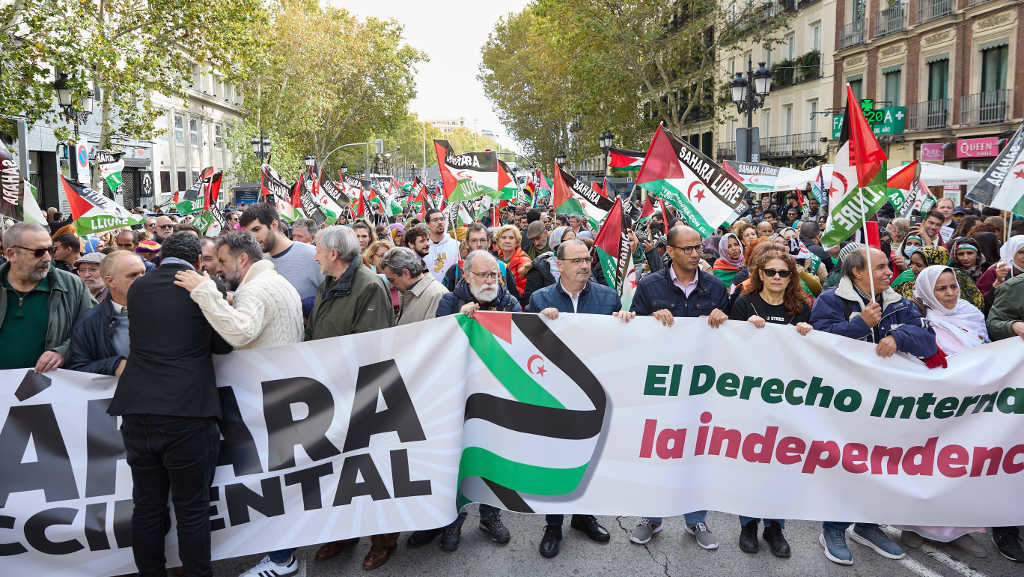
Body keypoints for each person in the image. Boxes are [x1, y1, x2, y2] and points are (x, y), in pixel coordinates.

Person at [108, 232, 232, 577]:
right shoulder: (205, 289)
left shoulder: (139, 288)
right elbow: (224, 345)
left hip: (137, 409)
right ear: (196, 262)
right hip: (188, 411)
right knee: (191, 509)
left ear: (161, 257)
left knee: (147, 506)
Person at [810, 246, 940, 566]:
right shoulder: (831, 300)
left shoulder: (897, 302)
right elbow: (818, 341)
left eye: (887, 267)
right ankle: (834, 528)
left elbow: (928, 340)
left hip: (887, 401)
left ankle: (868, 525)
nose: (889, 272)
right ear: (857, 272)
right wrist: (860, 324)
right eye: (880, 267)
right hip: (846, 400)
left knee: (882, 463)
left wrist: (899, 339)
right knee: (847, 463)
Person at [526, 239, 632, 558]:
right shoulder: (539, 298)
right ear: (559, 265)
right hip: (556, 394)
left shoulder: (606, 297)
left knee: (591, 458)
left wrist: (627, 322)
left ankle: (584, 516)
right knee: (557, 461)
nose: (584, 265)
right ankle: (554, 524)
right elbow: (525, 345)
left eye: (587, 259)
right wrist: (538, 325)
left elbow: (619, 344)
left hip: (594, 393)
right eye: (576, 261)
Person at [629, 225, 729, 551]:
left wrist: (721, 318)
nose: (695, 254)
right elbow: (631, 333)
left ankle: (696, 518)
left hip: (700, 388)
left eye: (698, 247)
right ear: (669, 251)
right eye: (687, 249)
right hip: (661, 387)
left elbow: (731, 340)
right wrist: (649, 321)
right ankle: (650, 516)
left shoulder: (715, 287)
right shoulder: (648, 286)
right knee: (656, 451)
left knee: (696, 453)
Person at [306, 225, 396, 569]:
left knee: (371, 472)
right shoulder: (328, 283)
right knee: (339, 473)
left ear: (333, 254)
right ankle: (343, 534)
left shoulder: (369, 286)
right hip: (329, 392)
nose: (313, 255)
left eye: (317, 249)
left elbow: (369, 348)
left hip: (359, 395)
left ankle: (383, 540)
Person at [890, 265, 989, 558]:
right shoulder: (921, 323)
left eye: (953, 287)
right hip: (936, 408)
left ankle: (957, 531)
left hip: (972, 407)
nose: (949, 294)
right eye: (941, 289)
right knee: (928, 466)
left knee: (963, 468)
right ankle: (914, 527)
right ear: (926, 293)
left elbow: (988, 354)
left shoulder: (972, 314)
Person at [423, 249, 518, 552]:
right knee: (460, 461)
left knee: (493, 461)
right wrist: (457, 322)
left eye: (494, 275)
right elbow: (438, 343)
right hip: (460, 397)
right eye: (483, 275)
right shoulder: (450, 302)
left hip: (497, 397)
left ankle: (490, 516)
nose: (490, 281)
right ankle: (454, 519)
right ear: (467, 276)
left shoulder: (509, 303)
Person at [728, 251, 810, 558]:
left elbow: (808, 356)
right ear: (760, 274)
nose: (777, 277)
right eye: (771, 271)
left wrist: (806, 335)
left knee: (780, 466)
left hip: (786, 398)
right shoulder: (743, 304)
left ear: (791, 277)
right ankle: (748, 524)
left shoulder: (800, 308)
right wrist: (743, 330)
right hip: (749, 396)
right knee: (750, 464)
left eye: (783, 273)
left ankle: (775, 527)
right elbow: (727, 348)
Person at [174, 230, 304, 350]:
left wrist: (204, 291)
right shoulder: (277, 280)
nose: (219, 268)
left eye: (223, 261)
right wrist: (234, 299)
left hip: (266, 373)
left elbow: (240, 333)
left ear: (242, 259)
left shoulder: (253, 290)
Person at [0, 222, 93, 371]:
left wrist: (63, 352)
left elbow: (91, 328)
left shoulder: (72, 285)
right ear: (11, 254)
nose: (48, 258)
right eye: (39, 252)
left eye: (51, 250)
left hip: (52, 387)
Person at [67, 251, 146, 375]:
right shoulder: (89, 321)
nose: (143, 279)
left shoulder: (164, 310)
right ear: (110, 281)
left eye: (143, 272)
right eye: (133, 275)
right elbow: (78, 368)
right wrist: (114, 366)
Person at [241, 203, 324, 316]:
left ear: (274, 225)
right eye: (248, 233)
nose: (253, 237)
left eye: (256, 229)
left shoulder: (313, 255)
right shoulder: (259, 265)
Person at [892, 246, 985, 311]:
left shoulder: (959, 280)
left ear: (935, 266)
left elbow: (976, 306)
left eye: (919, 265)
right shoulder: (908, 284)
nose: (912, 268)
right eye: (911, 263)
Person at [442, 223, 519, 300]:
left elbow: (513, 301)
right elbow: (447, 300)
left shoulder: (502, 268)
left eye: (482, 240)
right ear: (467, 244)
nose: (479, 244)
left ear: (489, 243)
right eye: (474, 240)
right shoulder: (455, 270)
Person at [381, 246, 448, 325]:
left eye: (392, 280)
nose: (391, 286)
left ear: (406, 273)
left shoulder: (437, 294)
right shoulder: (405, 291)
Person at [976, 234, 1024, 298]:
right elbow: (982, 303)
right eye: (1021, 252)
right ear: (1011, 253)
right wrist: (998, 282)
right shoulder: (996, 271)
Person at [424, 208, 460, 282]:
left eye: (442, 219)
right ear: (428, 224)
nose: (440, 222)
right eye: (435, 220)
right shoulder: (423, 247)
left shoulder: (456, 245)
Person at [495, 224, 531, 297]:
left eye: (511, 238)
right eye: (503, 237)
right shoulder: (496, 260)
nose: (507, 241)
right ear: (498, 241)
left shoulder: (523, 261)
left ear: (517, 242)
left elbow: (524, 292)